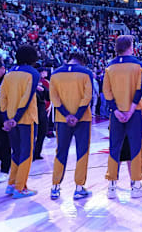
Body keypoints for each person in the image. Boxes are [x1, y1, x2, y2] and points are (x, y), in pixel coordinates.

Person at [103, 35, 142, 199]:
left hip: (116, 114)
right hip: (134, 112)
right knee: (136, 148)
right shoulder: (138, 65)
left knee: (114, 148)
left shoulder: (109, 66)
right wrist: (130, 109)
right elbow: (139, 89)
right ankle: (136, 185)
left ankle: (112, 186)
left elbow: (106, 91)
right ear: (130, 46)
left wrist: (115, 110)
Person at [49, 52, 93, 200]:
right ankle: (79, 188)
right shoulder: (86, 72)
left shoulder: (55, 74)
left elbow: (54, 98)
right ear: (82, 61)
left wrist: (67, 115)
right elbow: (88, 96)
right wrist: (77, 115)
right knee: (82, 152)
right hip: (82, 119)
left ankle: (55, 187)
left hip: (62, 119)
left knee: (61, 152)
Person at [0, 45, 41, 199]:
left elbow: (2, 96)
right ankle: (20, 188)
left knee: (16, 151)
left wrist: (7, 119)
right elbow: (27, 97)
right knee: (26, 153)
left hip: (10, 118)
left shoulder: (9, 73)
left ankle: (11, 184)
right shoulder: (33, 73)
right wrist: (16, 118)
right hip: (25, 119)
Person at [33, 67, 50, 161]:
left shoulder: (43, 86)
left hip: (42, 112)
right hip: (33, 112)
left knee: (42, 133)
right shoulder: (29, 87)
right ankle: (31, 154)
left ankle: (37, 152)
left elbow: (49, 96)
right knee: (33, 135)